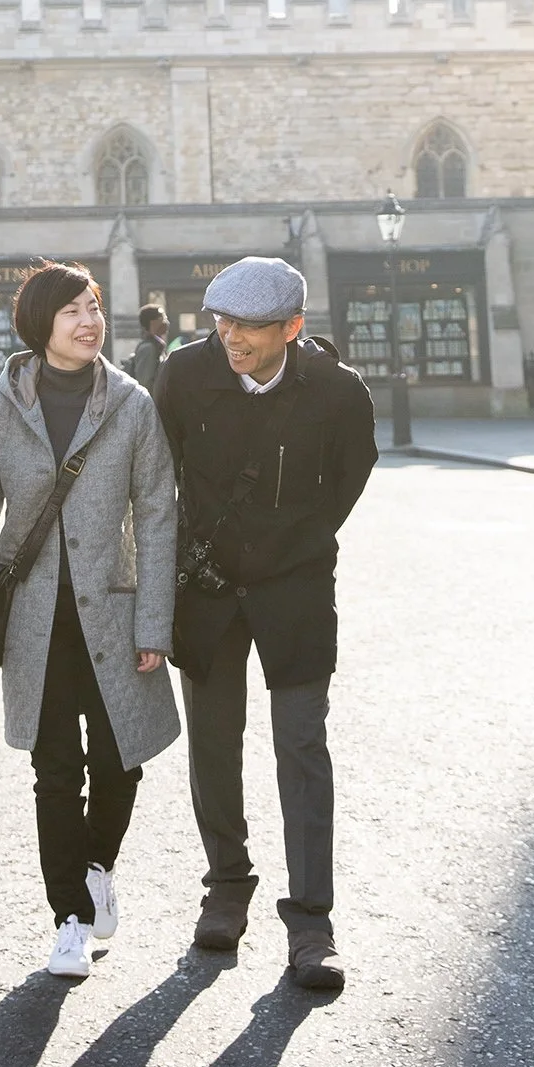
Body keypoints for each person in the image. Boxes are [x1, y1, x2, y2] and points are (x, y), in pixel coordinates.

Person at [154, 256, 377, 995]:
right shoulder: (183, 377)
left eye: (248, 325)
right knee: (213, 745)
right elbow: (159, 478)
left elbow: (346, 482)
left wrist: (291, 546)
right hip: (207, 591)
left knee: (302, 747)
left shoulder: (340, 394)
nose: (230, 337)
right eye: (221, 320)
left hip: (296, 592)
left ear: (292, 327)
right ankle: (225, 887)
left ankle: (311, 922)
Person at [0, 261, 179, 982]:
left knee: (120, 759)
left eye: (94, 307)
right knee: (55, 770)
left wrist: (153, 624)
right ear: (39, 324)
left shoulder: (132, 403)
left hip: (111, 610)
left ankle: (96, 865)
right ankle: (70, 920)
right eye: (72, 310)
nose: (88, 321)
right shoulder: (1, 405)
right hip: (33, 618)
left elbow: (157, 515)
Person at [125, 304, 168, 390]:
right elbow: (145, 384)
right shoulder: (148, 348)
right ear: (153, 322)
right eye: (163, 319)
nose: (166, 322)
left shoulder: (157, 346)